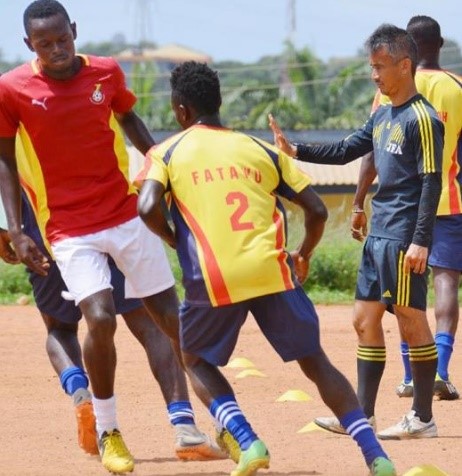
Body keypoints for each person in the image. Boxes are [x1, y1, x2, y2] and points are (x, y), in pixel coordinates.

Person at [137, 60, 396, 476]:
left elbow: (147, 206)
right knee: (316, 362)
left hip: (215, 276)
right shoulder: (260, 149)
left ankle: (248, 441)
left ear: (180, 111)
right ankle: (376, 456)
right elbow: (315, 210)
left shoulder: (165, 152)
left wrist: (173, 239)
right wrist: (304, 253)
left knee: (194, 358)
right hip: (272, 269)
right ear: (219, 104)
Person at [0, 1, 223, 473]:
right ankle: (107, 428)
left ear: (75, 31)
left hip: (123, 215)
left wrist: (167, 169)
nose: (57, 50)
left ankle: (192, 425)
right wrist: (15, 230)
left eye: (63, 39)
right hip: (59, 225)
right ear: (28, 46)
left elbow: (131, 122)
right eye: (45, 44)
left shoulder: (106, 73)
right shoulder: (13, 88)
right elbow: (5, 160)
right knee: (96, 320)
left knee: (161, 319)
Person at [270, 24, 443, 440]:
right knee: (364, 321)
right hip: (378, 234)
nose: (374, 75)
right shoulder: (382, 114)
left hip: (404, 235)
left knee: (411, 319)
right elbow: (349, 148)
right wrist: (298, 150)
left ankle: (422, 417)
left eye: (380, 67)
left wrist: (421, 239)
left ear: (405, 65)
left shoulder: (424, 118)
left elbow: (431, 183)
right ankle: (361, 413)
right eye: (371, 67)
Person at [0, 191, 227, 460]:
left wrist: (6, 227)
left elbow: (6, 163)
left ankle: (80, 392)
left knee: (60, 329)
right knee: (151, 325)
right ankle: (185, 426)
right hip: (113, 218)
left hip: (44, 226)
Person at [352, 15, 462, 401]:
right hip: (449, 201)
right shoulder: (456, 86)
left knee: (402, 301)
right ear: (440, 44)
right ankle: (441, 370)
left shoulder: (389, 93)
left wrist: (358, 201)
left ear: (406, 54)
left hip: (402, 213)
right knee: (444, 285)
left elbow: (371, 153)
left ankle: (410, 380)